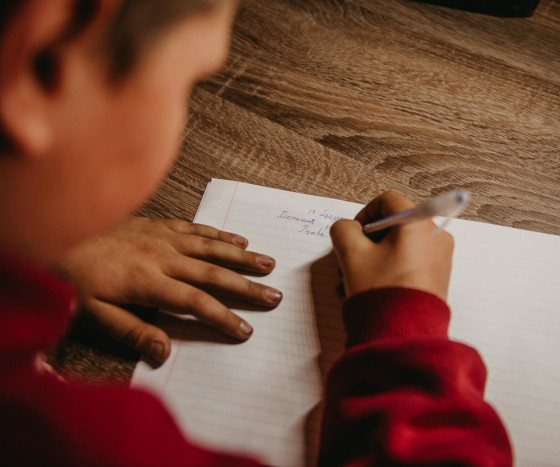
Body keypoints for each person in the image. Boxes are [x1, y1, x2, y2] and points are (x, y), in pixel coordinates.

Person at [0, 0, 512, 465]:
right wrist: (405, 331)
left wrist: (35, 237)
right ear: (42, 62)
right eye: (191, 84)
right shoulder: (81, 444)